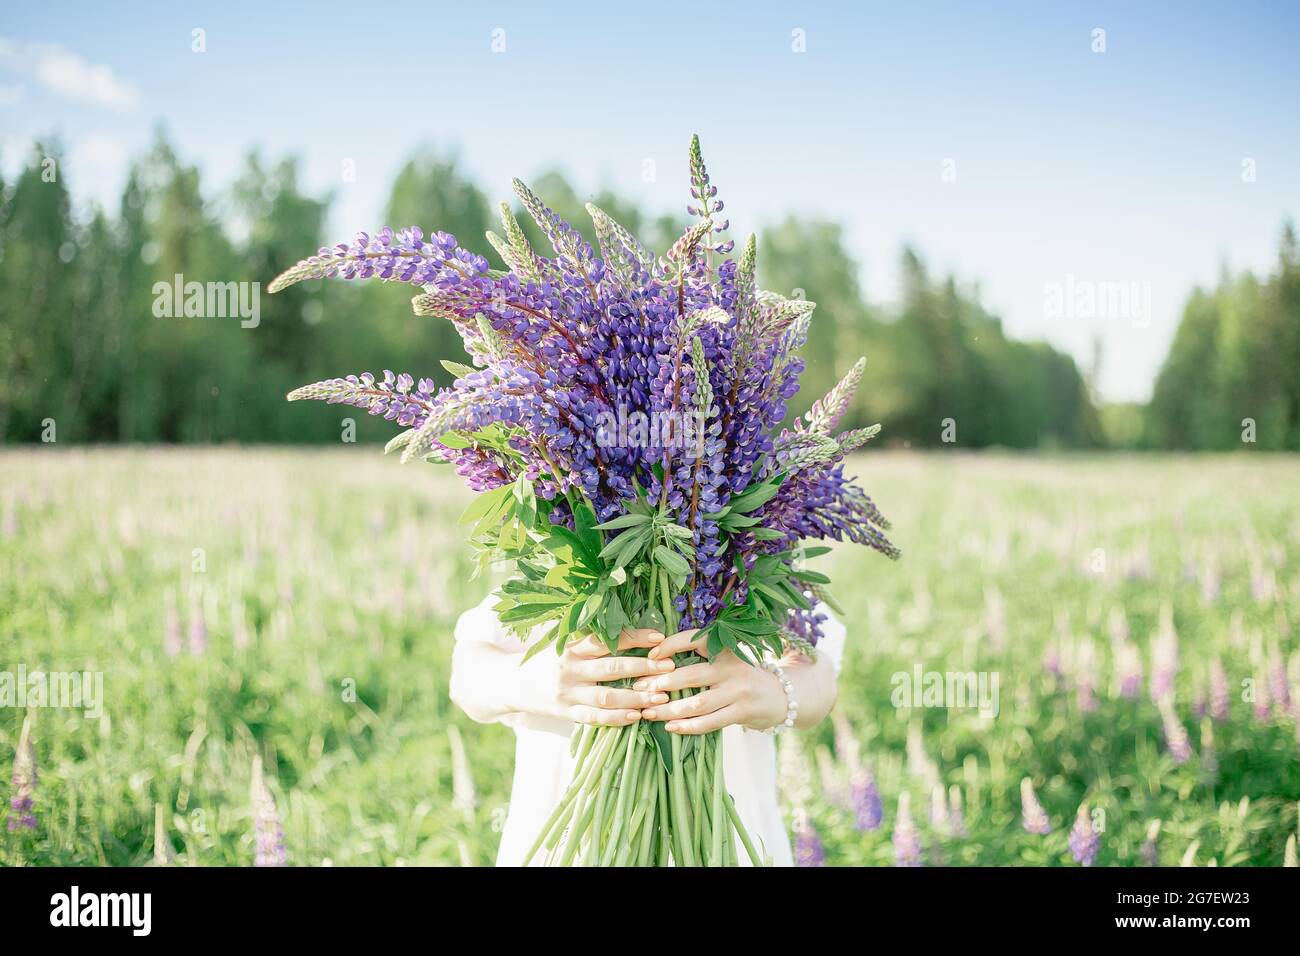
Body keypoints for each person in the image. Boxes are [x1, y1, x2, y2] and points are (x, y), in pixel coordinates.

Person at [449, 594, 845, 866]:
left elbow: (820, 672)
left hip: (725, 829)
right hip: (568, 828)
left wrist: (776, 691)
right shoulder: (553, 521)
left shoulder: (758, 522)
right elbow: (466, 675)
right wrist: (540, 679)